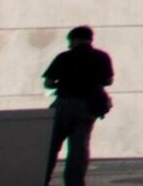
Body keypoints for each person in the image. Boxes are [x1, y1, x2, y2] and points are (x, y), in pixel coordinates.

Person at [42, 25, 111, 186]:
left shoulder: (64, 57)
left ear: (73, 39)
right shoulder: (101, 57)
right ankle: (75, 183)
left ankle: (42, 179)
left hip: (63, 105)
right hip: (88, 107)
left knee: (50, 147)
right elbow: (108, 81)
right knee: (79, 149)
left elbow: (48, 82)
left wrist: (61, 84)